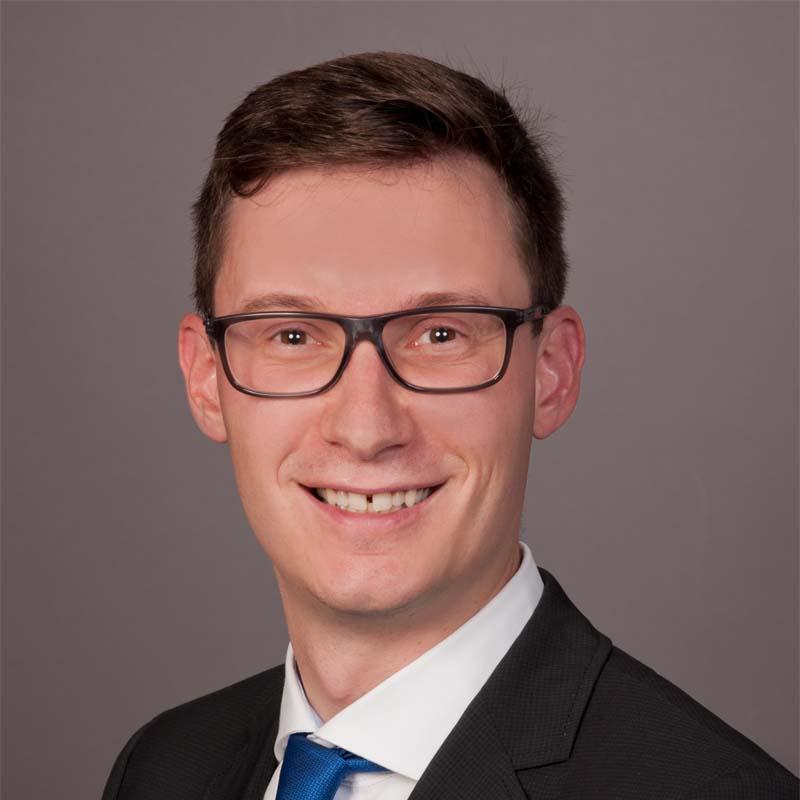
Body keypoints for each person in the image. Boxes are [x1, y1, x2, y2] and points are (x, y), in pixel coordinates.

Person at [101, 51, 798, 800]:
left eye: (440, 334)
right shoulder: (164, 769)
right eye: (293, 336)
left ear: (552, 372)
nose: (366, 427)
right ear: (205, 378)